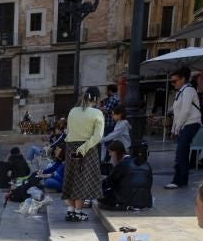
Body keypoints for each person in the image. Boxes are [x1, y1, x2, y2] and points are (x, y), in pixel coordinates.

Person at [63, 86, 104, 222]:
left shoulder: (72, 111)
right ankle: (78, 212)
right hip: (86, 149)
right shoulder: (97, 113)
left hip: (70, 148)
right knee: (82, 179)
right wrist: (84, 147)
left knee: (71, 177)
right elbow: (97, 136)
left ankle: (70, 211)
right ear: (96, 98)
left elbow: (69, 131)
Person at [166, 67, 202, 189]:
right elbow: (177, 113)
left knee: (180, 152)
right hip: (186, 125)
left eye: (175, 81)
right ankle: (182, 180)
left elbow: (185, 111)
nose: (173, 83)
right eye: (171, 81)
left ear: (183, 79)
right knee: (182, 152)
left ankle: (178, 180)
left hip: (191, 123)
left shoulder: (188, 90)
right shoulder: (180, 92)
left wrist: (177, 128)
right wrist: (173, 129)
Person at [98, 141, 152, 210]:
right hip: (146, 202)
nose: (110, 155)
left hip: (126, 201)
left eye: (110, 153)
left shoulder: (122, 164)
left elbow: (108, 183)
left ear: (115, 152)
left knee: (101, 194)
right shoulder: (147, 165)